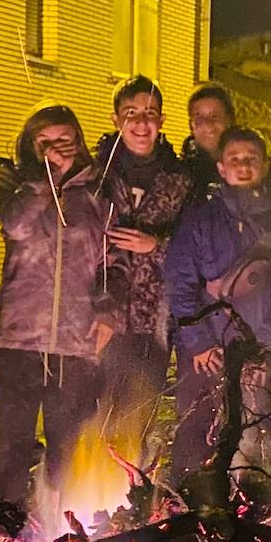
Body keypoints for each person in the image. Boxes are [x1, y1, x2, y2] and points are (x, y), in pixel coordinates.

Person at [0, 105, 117, 509]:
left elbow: (113, 261)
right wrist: (45, 181)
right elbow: (17, 226)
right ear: (30, 147)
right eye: (45, 143)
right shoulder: (14, 186)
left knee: (69, 444)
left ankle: (64, 530)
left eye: (64, 140)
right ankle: (4, 526)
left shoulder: (99, 192)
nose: (57, 149)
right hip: (20, 337)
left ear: (78, 140)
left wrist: (109, 311)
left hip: (76, 343)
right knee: (9, 444)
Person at [164, 128, 271, 481]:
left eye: (251, 159)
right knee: (196, 430)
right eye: (235, 160)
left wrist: (264, 347)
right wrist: (199, 342)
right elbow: (180, 284)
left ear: (264, 164)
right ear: (221, 168)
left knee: (253, 434)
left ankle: (253, 510)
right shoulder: (199, 218)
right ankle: (192, 506)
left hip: (255, 351)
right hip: (203, 355)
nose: (243, 166)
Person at [95, 75, 193, 466]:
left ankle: (126, 498)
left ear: (163, 120)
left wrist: (157, 246)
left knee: (138, 414)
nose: (141, 123)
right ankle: (85, 502)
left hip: (154, 321)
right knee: (94, 413)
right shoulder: (96, 175)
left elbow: (194, 246)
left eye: (149, 114)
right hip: (101, 316)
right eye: (131, 113)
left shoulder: (180, 179)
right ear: (116, 119)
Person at [182, 82, 271, 203]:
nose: (208, 125)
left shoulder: (266, 176)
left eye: (215, 117)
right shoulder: (182, 177)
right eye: (199, 118)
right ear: (191, 125)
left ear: (230, 119)